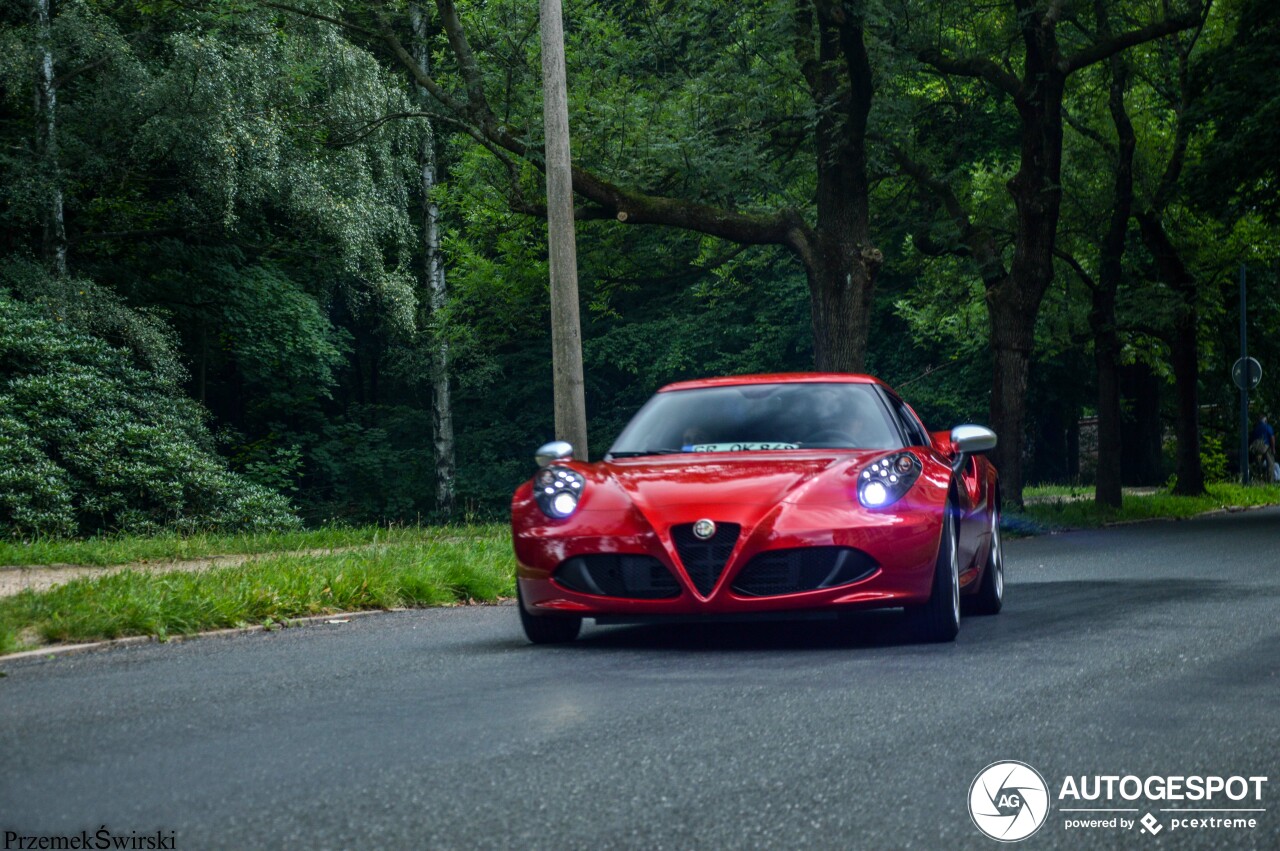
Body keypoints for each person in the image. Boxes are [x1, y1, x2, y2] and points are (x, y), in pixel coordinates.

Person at [1250, 414, 1277, 481]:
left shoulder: (1255, 429)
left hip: (1256, 449)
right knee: (1271, 464)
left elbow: (1251, 440)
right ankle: (1271, 481)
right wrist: (1273, 449)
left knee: (1258, 466)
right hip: (1265, 447)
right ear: (1265, 420)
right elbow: (1272, 438)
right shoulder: (1268, 427)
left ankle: (1258, 479)